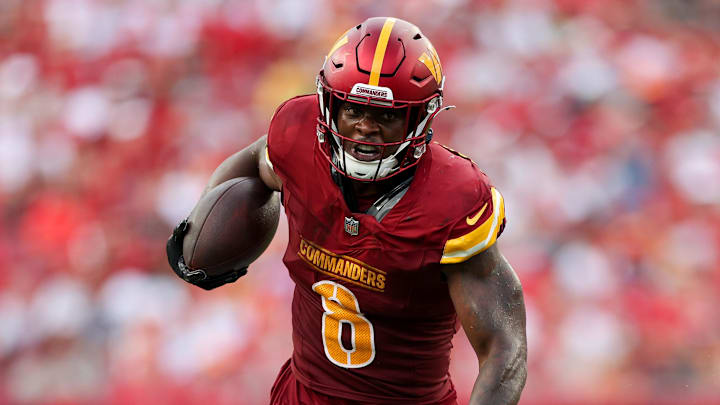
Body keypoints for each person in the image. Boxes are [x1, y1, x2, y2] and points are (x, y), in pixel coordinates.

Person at [167, 17, 527, 405]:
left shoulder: (453, 201)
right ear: (328, 105)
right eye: (353, 110)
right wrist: (201, 230)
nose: (364, 127)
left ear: (419, 118)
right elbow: (258, 162)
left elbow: (505, 350)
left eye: (386, 115)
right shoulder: (299, 137)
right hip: (301, 395)